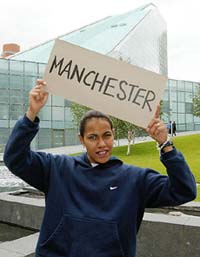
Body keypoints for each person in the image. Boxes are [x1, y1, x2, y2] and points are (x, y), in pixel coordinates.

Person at [4, 79, 196, 257]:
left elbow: (184, 190)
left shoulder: (135, 178)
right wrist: (31, 114)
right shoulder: (57, 168)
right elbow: (15, 158)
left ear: (113, 135)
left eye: (106, 135)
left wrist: (165, 143)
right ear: (81, 139)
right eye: (93, 137)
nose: (102, 144)